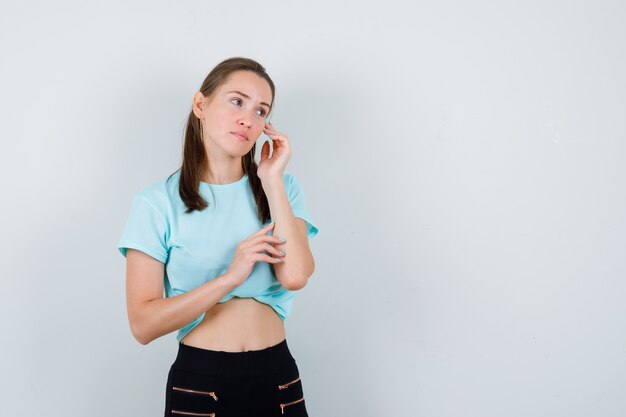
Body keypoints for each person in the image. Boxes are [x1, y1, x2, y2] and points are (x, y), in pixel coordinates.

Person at [117, 56, 319, 417]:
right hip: (201, 380)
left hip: (278, 376)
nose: (248, 118)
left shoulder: (282, 188)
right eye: (237, 101)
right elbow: (143, 325)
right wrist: (230, 277)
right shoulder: (156, 202)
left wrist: (271, 180)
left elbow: (296, 275)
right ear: (200, 104)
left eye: (261, 111)